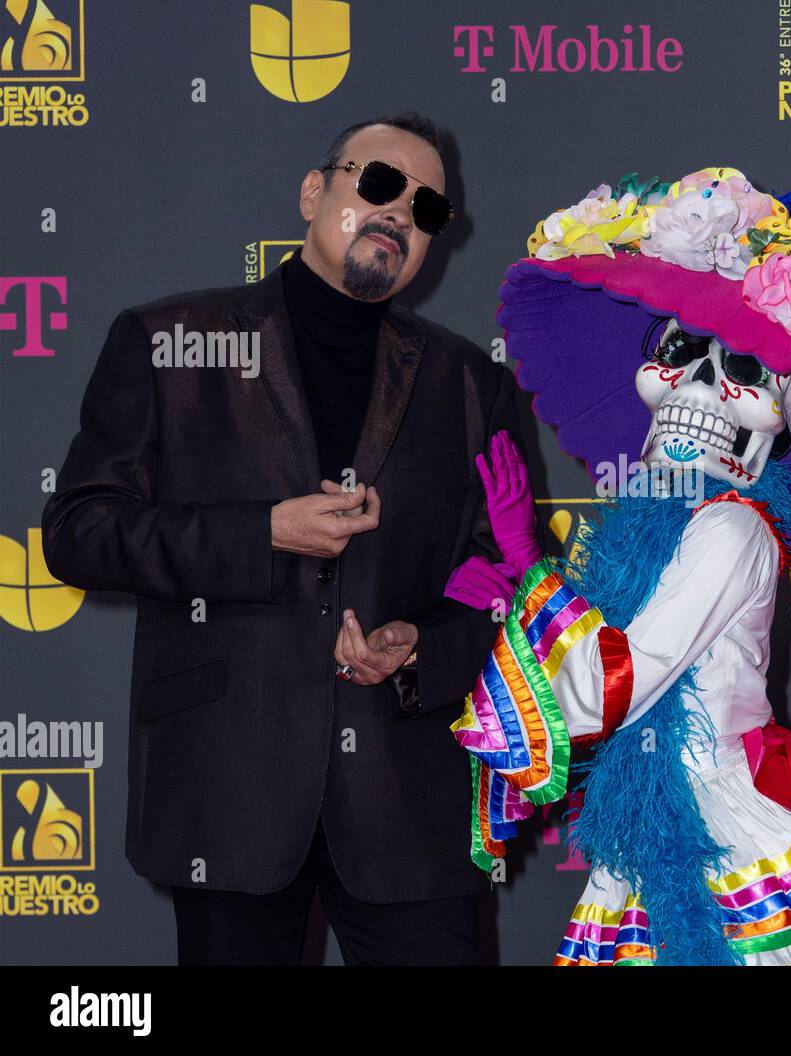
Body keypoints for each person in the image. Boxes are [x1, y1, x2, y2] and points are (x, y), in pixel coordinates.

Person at [399, 140, 791, 963]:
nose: (693, 387)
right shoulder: (670, 520)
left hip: (728, 842)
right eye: (675, 356)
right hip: (661, 833)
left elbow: (606, 687)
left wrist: (526, 577)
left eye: (741, 373)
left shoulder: (729, 532)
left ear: (777, 427)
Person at [40, 111, 520, 965]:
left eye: (427, 208)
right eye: (377, 183)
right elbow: (79, 533)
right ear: (313, 192)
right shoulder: (168, 344)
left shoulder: (468, 382)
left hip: (409, 800)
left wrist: (422, 651)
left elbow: (501, 571)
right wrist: (261, 535)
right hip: (227, 789)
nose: (400, 212)